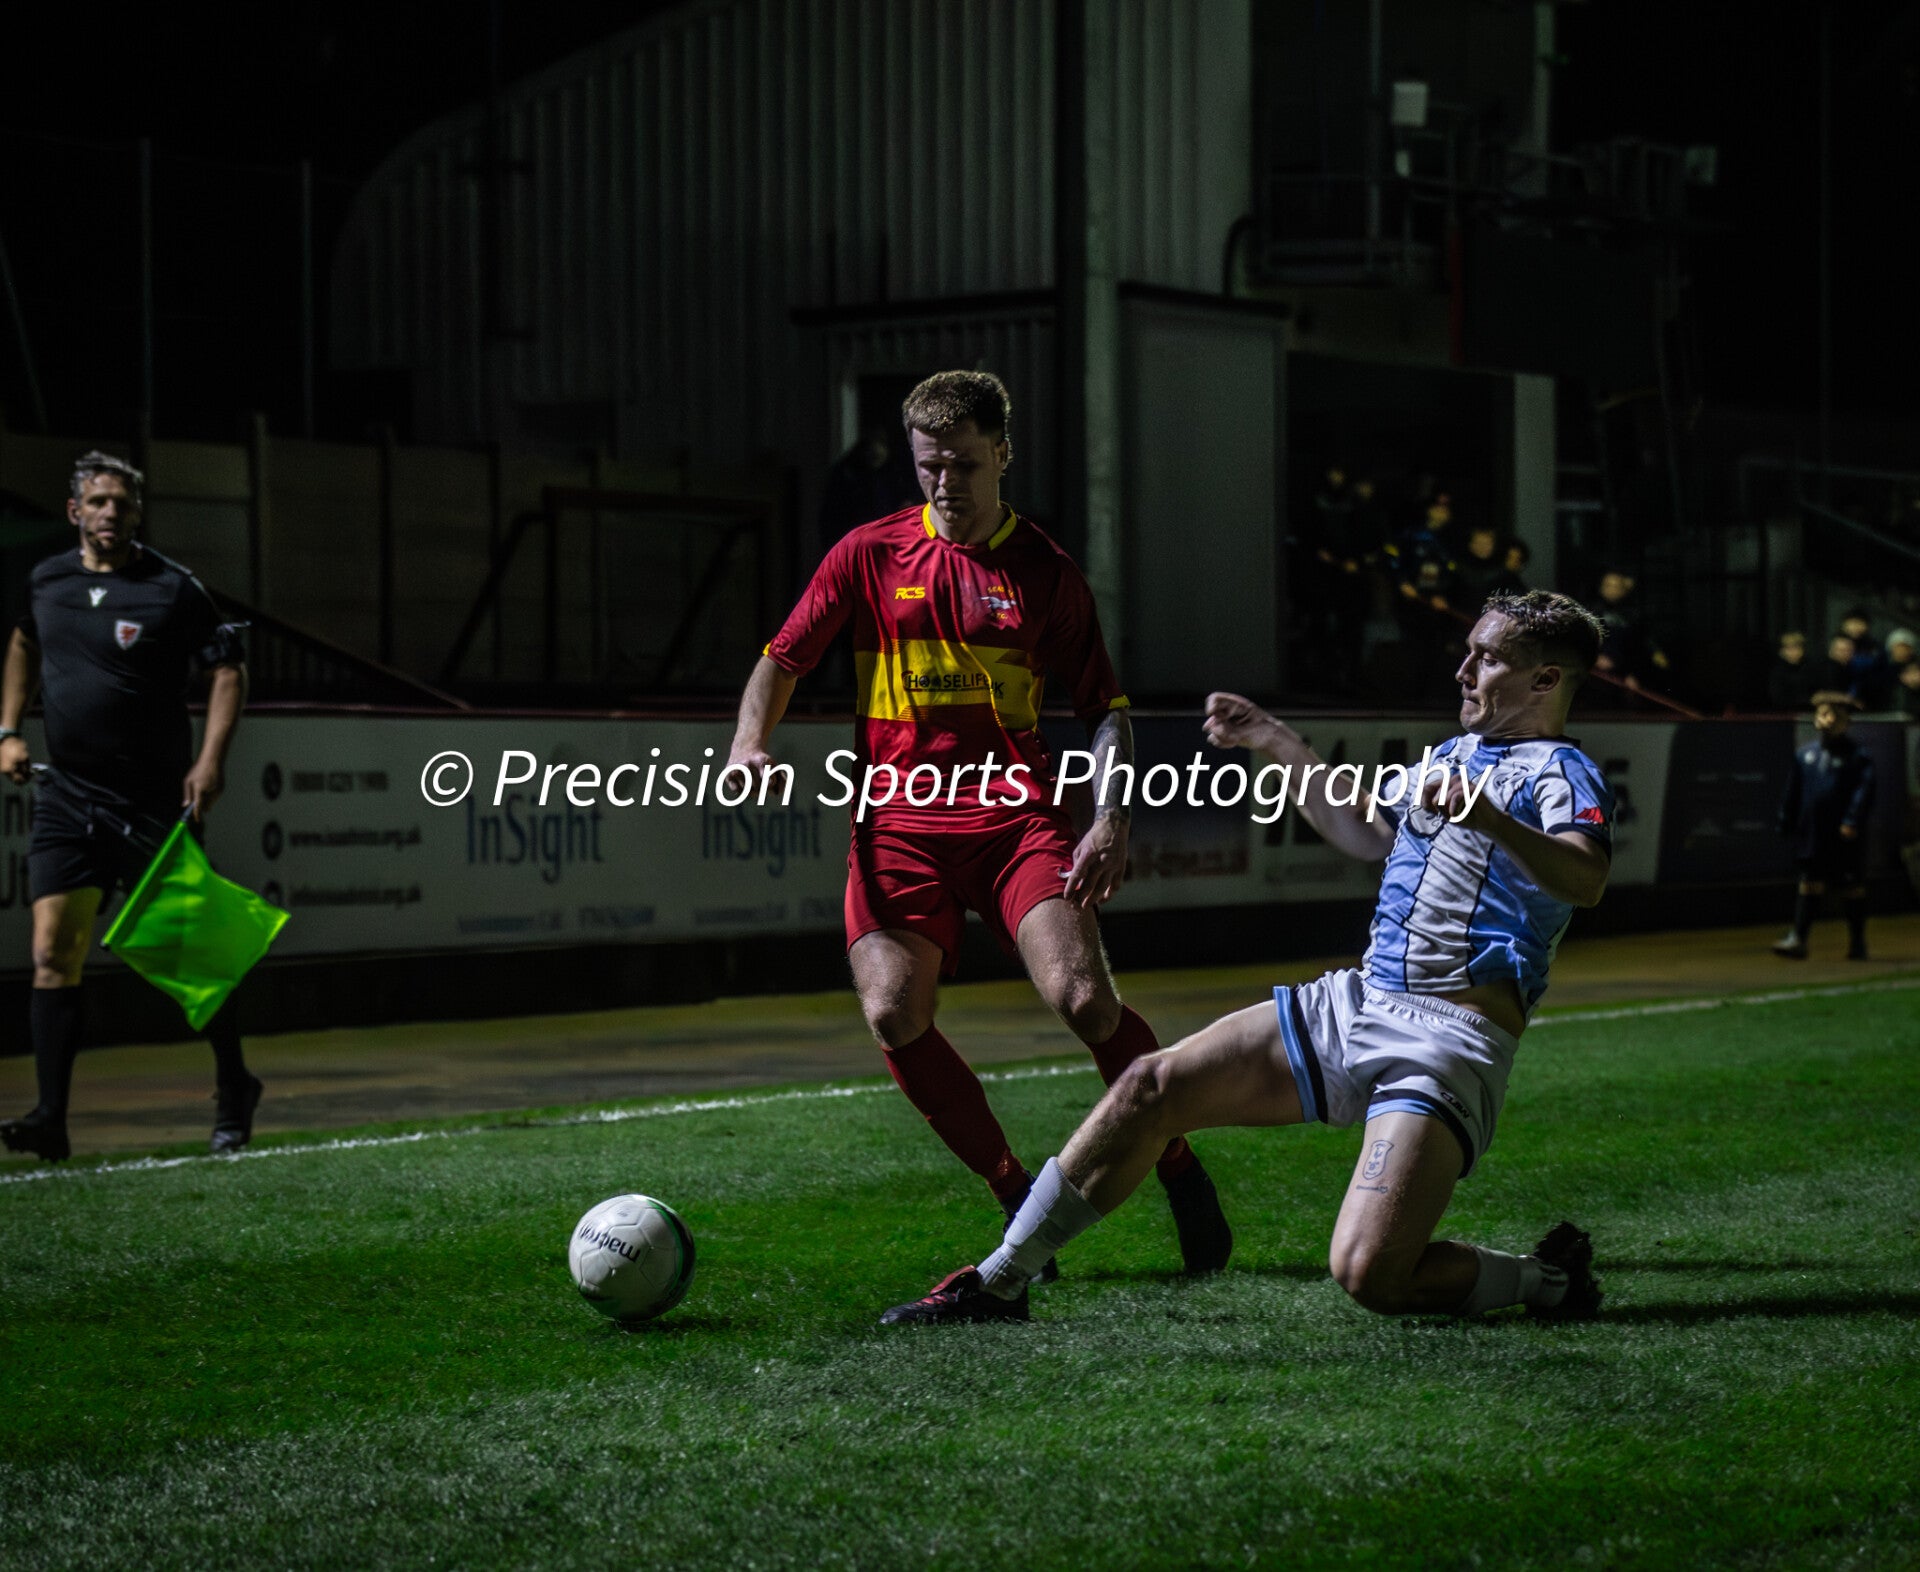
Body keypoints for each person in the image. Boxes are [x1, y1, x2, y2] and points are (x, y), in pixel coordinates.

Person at [881, 590, 1612, 1326]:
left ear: (1545, 680)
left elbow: (1586, 878)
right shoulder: (1452, 757)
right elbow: (1363, 829)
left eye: (1487, 659)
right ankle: (998, 1281)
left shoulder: (1561, 770)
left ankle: (1545, 1279)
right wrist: (1273, 738)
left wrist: (1488, 816)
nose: (1464, 670)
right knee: (1149, 1086)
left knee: (1370, 1275)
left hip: (1448, 1040)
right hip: (1362, 1001)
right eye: (1469, 652)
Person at [728, 371, 1232, 1273]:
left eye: (963, 464)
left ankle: (1178, 1162)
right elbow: (783, 657)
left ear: (1002, 455)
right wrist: (747, 744)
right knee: (893, 1013)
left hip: (1014, 822)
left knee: (1085, 1001)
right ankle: (1013, 1195)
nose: (945, 483)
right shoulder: (867, 554)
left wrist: (1111, 815)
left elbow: (1105, 709)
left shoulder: (1044, 571)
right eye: (929, 465)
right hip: (898, 824)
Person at [0, 452, 256, 1163]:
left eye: (122, 502)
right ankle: (51, 1119)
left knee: (194, 958)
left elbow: (228, 668)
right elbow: (22, 641)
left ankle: (235, 1085)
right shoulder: (47, 581)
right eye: (98, 501)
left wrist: (210, 760)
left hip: (149, 802)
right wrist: (8, 730)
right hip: (67, 796)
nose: (110, 512)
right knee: (52, 951)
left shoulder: (171, 588)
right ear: (75, 511)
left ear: (138, 513)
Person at [1772, 691, 1875, 961]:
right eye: (1821, 714)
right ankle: (1799, 938)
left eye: (1832, 715)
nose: (1825, 719)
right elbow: (1793, 791)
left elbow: (1864, 792)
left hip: (1844, 833)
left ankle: (1857, 943)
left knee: (1852, 886)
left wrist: (1852, 819)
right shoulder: (1805, 754)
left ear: (1845, 721)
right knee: (1809, 882)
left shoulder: (1858, 757)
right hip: (1814, 832)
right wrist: (1786, 819)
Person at [1766, 631, 1819, 712]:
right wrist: (1808, 700)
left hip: (1809, 712)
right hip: (1783, 714)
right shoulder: (1777, 671)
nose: (1793, 652)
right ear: (1781, 651)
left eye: (1796, 647)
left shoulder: (1810, 668)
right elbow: (1778, 698)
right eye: (1788, 648)